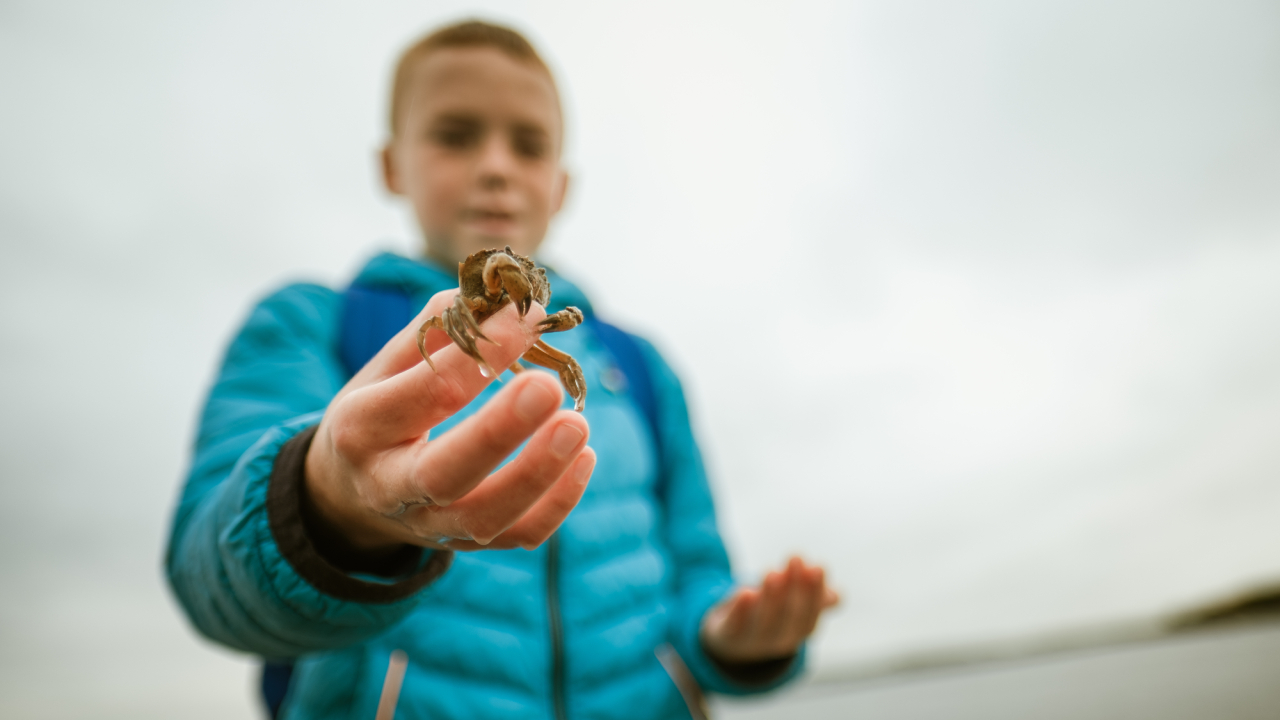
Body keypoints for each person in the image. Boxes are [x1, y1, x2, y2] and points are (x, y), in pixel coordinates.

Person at [166, 20, 837, 720]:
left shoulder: (637, 367)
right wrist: (328, 506)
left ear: (562, 183)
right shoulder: (314, 327)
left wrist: (731, 636)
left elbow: (697, 570)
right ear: (393, 166)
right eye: (455, 136)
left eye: (529, 145)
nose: (496, 166)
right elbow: (207, 572)